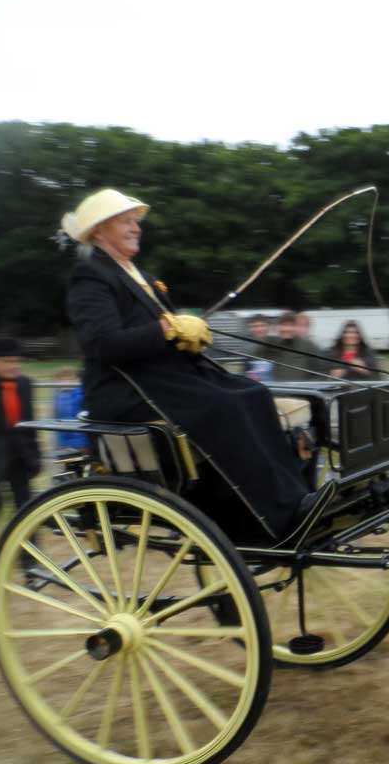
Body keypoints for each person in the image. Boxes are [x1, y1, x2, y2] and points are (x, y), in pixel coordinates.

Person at [62, 188, 325, 543]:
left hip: (164, 378)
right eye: (125, 221)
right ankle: (273, 515)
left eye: (135, 222)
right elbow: (103, 344)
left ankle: (296, 498)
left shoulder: (137, 274)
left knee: (254, 393)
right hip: (125, 389)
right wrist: (169, 329)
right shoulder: (90, 276)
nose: (136, 228)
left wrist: (190, 339)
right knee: (226, 406)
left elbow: (162, 334)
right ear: (98, 231)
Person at [0, 338, 42, 565]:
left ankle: (29, 559)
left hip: (19, 456)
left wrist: (35, 455)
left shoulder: (25, 384)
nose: (13, 366)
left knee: (26, 508)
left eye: (16, 361)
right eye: (6, 361)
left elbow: (30, 421)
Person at [270, 311, 323, 382]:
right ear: (277, 327)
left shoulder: (309, 346)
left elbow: (321, 373)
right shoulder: (272, 345)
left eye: (291, 325)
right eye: (283, 325)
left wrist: (307, 389)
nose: (286, 329)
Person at [51, 366, 89, 454]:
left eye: (69, 379)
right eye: (61, 379)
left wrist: (84, 443)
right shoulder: (57, 397)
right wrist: (59, 444)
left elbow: (83, 420)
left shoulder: (79, 395)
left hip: (81, 443)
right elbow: (55, 423)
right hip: (64, 444)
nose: (66, 382)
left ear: (75, 380)